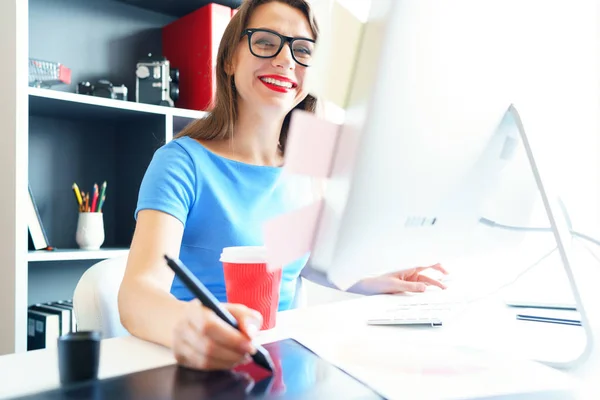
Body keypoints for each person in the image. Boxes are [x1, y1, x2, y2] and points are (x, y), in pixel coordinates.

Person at [118, 0, 447, 372]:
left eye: (303, 50)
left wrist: (375, 278)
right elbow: (137, 292)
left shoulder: (305, 168)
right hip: (205, 365)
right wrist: (185, 325)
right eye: (265, 41)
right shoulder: (181, 162)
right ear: (229, 60)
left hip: (285, 365)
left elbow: (296, 264)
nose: (285, 59)